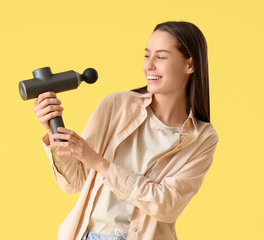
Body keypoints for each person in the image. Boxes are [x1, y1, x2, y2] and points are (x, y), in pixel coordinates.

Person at [33, 21, 219, 240]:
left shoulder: (201, 137)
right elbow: (74, 181)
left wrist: (98, 162)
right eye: (146, 55)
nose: (149, 66)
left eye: (160, 57)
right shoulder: (117, 106)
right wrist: (54, 131)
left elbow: (166, 205)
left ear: (190, 65)